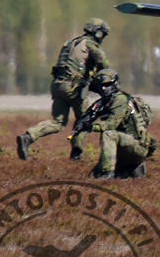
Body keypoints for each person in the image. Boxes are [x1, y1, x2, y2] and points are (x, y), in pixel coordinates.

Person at [17, 18, 111, 161]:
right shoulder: (90, 44)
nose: (102, 39)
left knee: (57, 123)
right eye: (103, 35)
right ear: (97, 33)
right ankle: (76, 154)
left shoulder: (70, 43)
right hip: (74, 88)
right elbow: (104, 63)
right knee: (84, 119)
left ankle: (28, 137)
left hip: (57, 85)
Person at [78, 69, 155, 180]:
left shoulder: (120, 100)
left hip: (137, 146)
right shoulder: (106, 102)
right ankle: (131, 169)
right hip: (124, 148)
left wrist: (92, 127)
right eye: (101, 86)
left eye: (107, 85)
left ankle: (108, 173)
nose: (103, 88)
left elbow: (112, 124)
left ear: (114, 85)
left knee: (108, 134)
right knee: (94, 175)